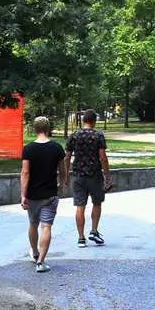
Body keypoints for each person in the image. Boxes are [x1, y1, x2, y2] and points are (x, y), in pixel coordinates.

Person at [20, 116, 67, 273]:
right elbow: (63, 170)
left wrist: (23, 195)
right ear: (47, 129)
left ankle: (34, 253)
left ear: (34, 129)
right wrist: (62, 184)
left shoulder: (28, 149)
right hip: (50, 194)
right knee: (46, 226)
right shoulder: (56, 148)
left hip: (33, 195)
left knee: (33, 224)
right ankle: (41, 262)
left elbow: (25, 172)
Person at [67, 108, 111, 247]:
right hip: (95, 175)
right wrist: (107, 176)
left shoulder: (74, 135)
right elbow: (102, 157)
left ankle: (81, 238)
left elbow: (66, 156)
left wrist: (66, 174)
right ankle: (94, 230)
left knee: (80, 206)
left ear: (84, 120)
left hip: (78, 176)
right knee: (97, 203)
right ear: (94, 121)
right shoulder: (98, 135)